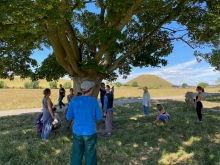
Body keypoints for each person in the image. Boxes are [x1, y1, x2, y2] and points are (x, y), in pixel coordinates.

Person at [66, 81, 102, 165]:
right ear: (90, 90)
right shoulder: (94, 101)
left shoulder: (74, 101)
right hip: (90, 132)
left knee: (76, 154)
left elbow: (68, 117)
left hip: (77, 132)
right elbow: (99, 117)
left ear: (82, 90)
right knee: (90, 154)